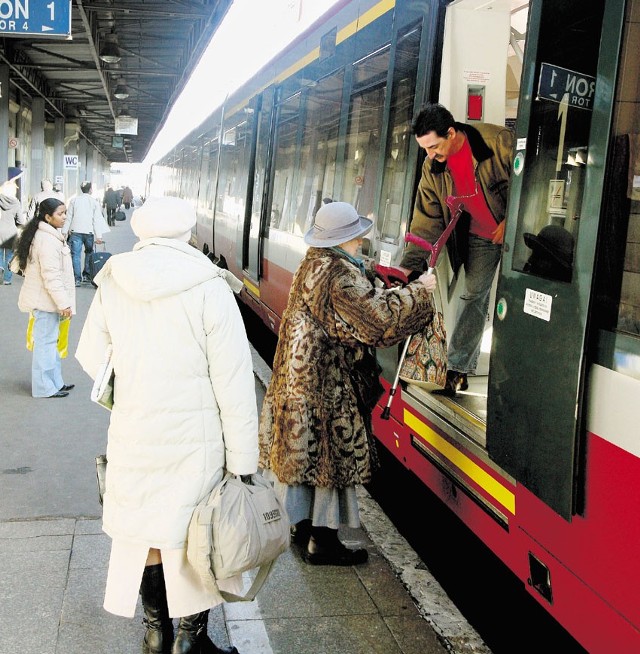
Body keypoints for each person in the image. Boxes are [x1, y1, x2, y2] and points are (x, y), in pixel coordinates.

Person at [75, 196, 257, 654]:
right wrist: (243, 462)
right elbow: (233, 381)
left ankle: (156, 633)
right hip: (195, 439)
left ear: (141, 232)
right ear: (187, 233)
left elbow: (91, 357)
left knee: (147, 535)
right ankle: (191, 640)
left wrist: (129, 389)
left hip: (136, 431)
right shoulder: (209, 286)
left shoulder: (115, 280)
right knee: (194, 534)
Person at [259, 201, 437, 566]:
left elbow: (354, 281)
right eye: (357, 238)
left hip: (300, 379)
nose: (361, 242)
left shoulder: (316, 261)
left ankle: (302, 528)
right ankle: (323, 543)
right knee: (332, 462)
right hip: (327, 384)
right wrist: (420, 290)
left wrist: (378, 272)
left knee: (304, 458)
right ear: (344, 239)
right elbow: (377, 322)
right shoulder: (338, 276)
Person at [400, 103, 514, 396]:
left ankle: (515, 375)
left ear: (452, 133)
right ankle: (458, 370)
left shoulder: (497, 142)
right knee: (472, 296)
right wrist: (411, 265)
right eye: (424, 149)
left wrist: (512, 219)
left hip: (515, 232)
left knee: (518, 302)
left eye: (434, 146)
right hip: (479, 237)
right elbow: (427, 218)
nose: (430, 155)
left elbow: (531, 183)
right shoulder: (433, 167)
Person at [14, 198, 75, 398]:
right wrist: (64, 303)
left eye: (65, 212)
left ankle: (55, 383)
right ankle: (44, 388)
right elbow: (52, 276)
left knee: (50, 343)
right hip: (46, 301)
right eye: (60, 214)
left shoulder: (49, 235)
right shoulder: (47, 240)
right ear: (48, 217)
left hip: (49, 300)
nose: (64, 217)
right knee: (45, 345)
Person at [62, 181, 104, 286]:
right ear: (90, 190)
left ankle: (77, 279)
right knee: (89, 253)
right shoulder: (94, 202)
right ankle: (86, 275)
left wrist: (64, 232)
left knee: (75, 255)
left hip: (75, 232)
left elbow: (68, 217)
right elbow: (97, 220)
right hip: (89, 232)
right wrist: (99, 236)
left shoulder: (74, 200)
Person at [0, 178, 25, 286]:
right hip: (11, 232)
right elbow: (20, 220)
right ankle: (7, 279)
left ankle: (0, 267)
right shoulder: (16, 203)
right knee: (9, 256)